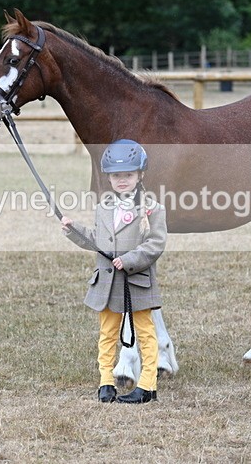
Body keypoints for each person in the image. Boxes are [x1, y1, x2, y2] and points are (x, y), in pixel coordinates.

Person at [61, 139, 166, 404]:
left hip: (136, 281)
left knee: (145, 331)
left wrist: (129, 259)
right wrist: (74, 230)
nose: (122, 180)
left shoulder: (153, 208)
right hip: (107, 283)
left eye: (128, 175)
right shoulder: (104, 207)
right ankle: (106, 381)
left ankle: (147, 385)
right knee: (107, 332)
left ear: (140, 175)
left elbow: (155, 244)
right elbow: (97, 239)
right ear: (108, 177)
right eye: (116, 176)